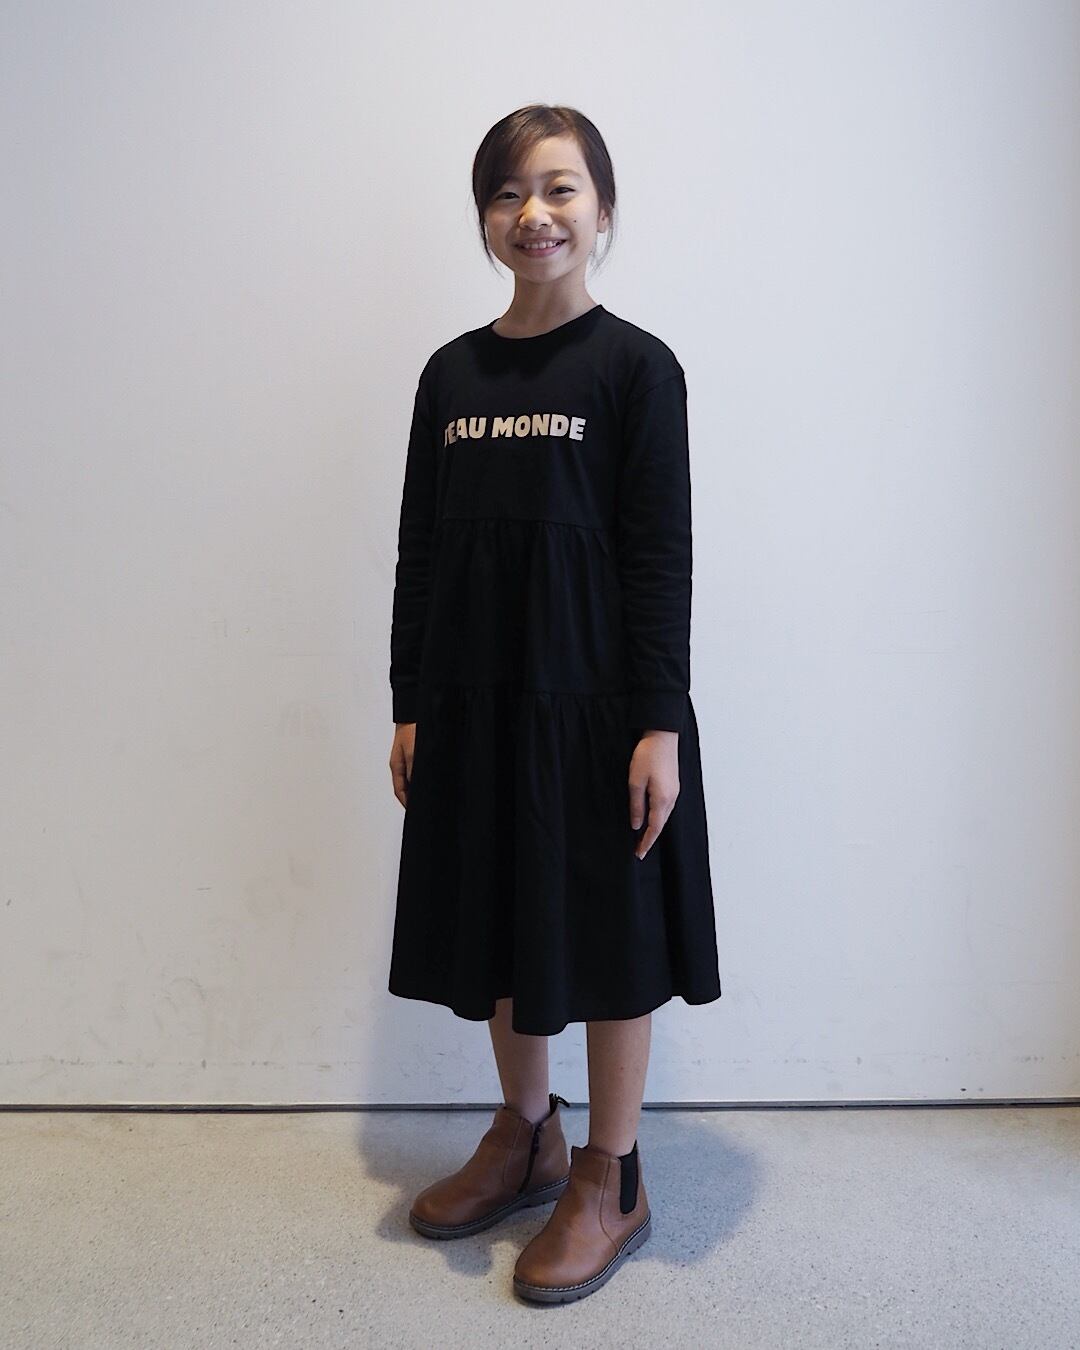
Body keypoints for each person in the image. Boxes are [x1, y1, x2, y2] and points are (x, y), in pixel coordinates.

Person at [386, 103, 722, 1304]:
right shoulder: (451, 375)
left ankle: (610, 1174)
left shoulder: (637, 368)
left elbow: (659, 554)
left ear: (603, 209)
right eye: (508, 192)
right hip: (476, 705)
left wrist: (658, 723)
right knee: (499, 921)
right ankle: (526, 1133)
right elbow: (421, 550)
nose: (534, 213)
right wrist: (410, 700)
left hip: (599, 713)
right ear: (485, 217)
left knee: (611, 943)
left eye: (561, 187)